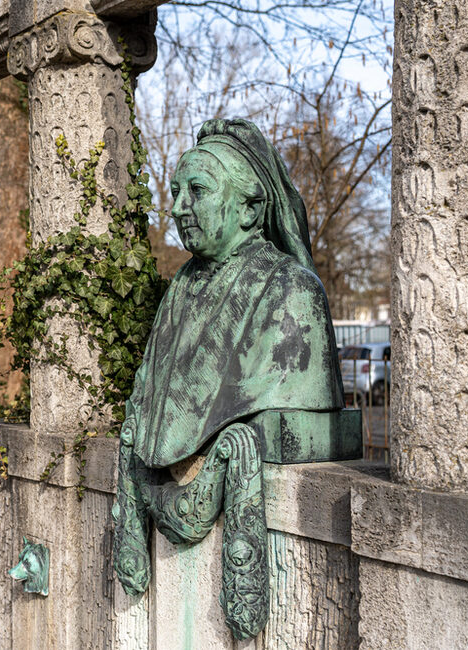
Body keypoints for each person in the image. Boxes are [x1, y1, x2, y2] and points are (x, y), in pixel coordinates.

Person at [112, 118, 344, 640]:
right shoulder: (182, 287)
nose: (177, 207)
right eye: (175, 192)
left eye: (196, 191)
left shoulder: (290, 290)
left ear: (250, 209)